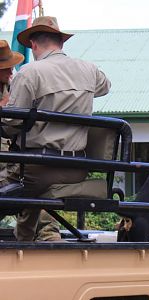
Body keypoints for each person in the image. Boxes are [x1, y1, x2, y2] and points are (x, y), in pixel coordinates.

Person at [1, 16, 111, 241]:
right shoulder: (89, 70)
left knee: (19, 181)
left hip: (37, 170)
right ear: (61, 42)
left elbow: (11, 124)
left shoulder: (30, 73)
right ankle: (29, 245)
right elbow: (104, 87)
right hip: (77, 168)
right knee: (31, 205)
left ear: (33, 45)